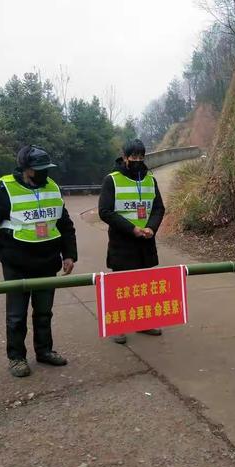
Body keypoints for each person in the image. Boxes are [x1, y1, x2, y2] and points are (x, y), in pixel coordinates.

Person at [0, 145, 77, 377]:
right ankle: (16, 358)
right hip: (17, 266)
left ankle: (44, 351)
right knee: (16, 316)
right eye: (39, 168)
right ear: (25, 169)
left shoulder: (52, 187)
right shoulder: (6, 190)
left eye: (46, 167)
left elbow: (64, 224)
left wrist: (69, 255)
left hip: (47, 262)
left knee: (44, 313)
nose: (44, 172)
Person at [98, 139, 165, 344]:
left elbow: (158, 208)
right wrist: (131, 229)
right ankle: (118, 326)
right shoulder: (112, 180)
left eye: (140, 156)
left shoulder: (150, 180)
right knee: (121, 285)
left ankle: (143, 323)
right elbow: (105, 211)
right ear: (125, 157)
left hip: (145, 240)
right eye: (133, 156)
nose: (137, 160)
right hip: (122, 241)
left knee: (144, 284)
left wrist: (150, 228)